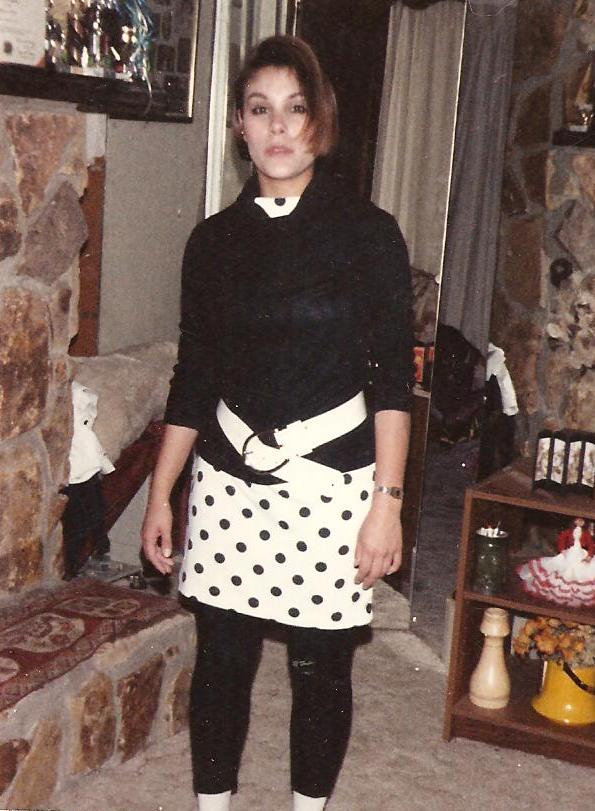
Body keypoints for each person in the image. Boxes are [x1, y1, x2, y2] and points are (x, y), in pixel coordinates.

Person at [141, 35, 414, 811]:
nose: (279, 127)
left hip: (332, 485)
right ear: (239, 125)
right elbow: (194, 377)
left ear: (319, 121)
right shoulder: (213, 242)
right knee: (221, 665)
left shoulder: (368, 234)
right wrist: (162, 493)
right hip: (229, 482)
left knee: (319, 671)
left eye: (295, 109)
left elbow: (391, 381)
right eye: (260, 110)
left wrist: (387, 502)